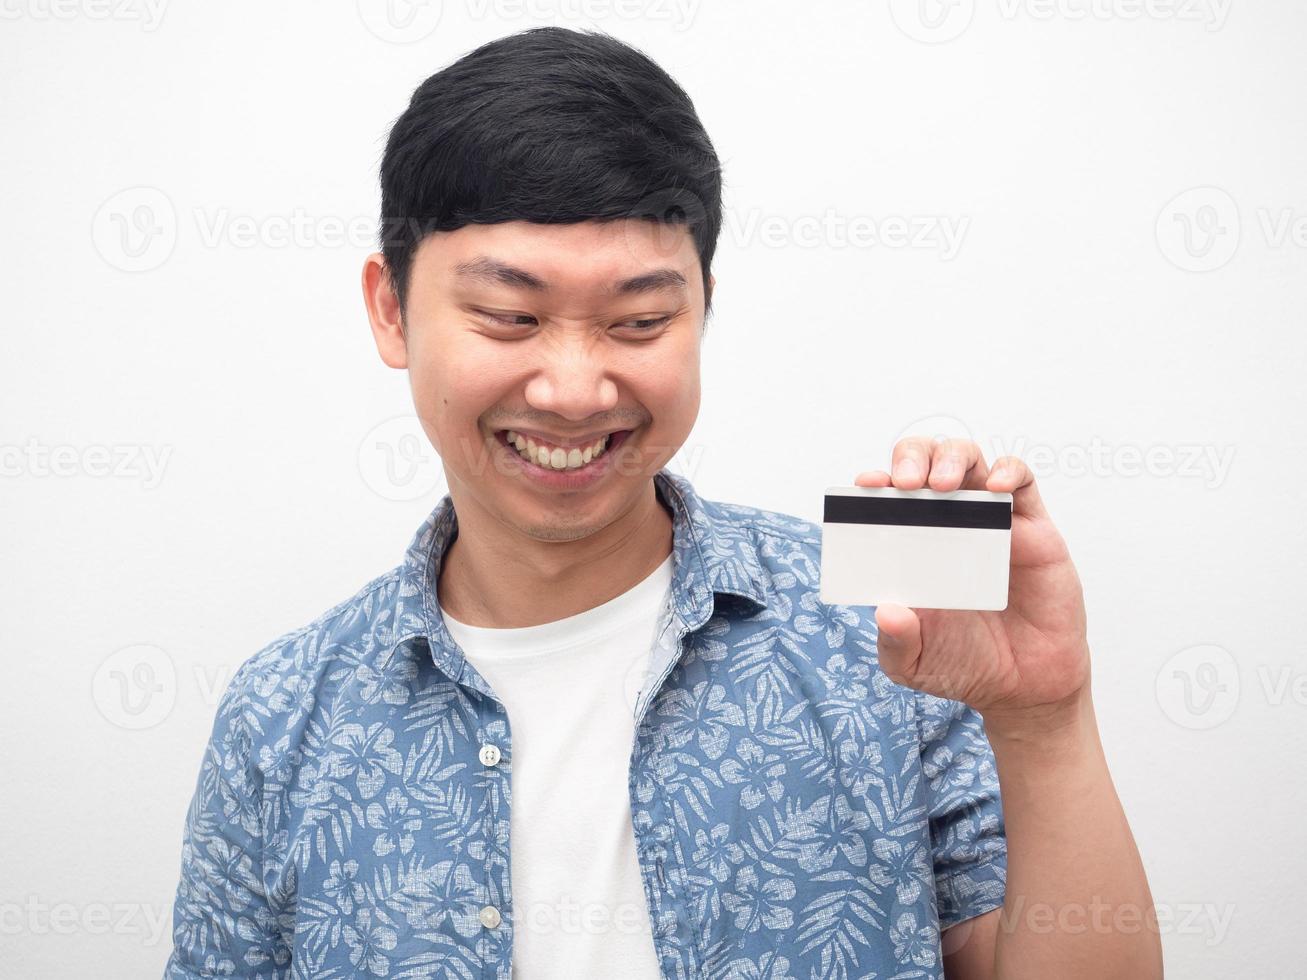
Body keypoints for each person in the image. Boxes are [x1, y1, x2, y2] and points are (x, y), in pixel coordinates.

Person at [163, 26, 1161, 980]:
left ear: (701, 308)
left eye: (637, 319)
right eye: (510, 316)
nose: (572, 385)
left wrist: (1043, 722)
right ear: (391, 308)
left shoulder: (887, 625)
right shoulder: (281, 715)